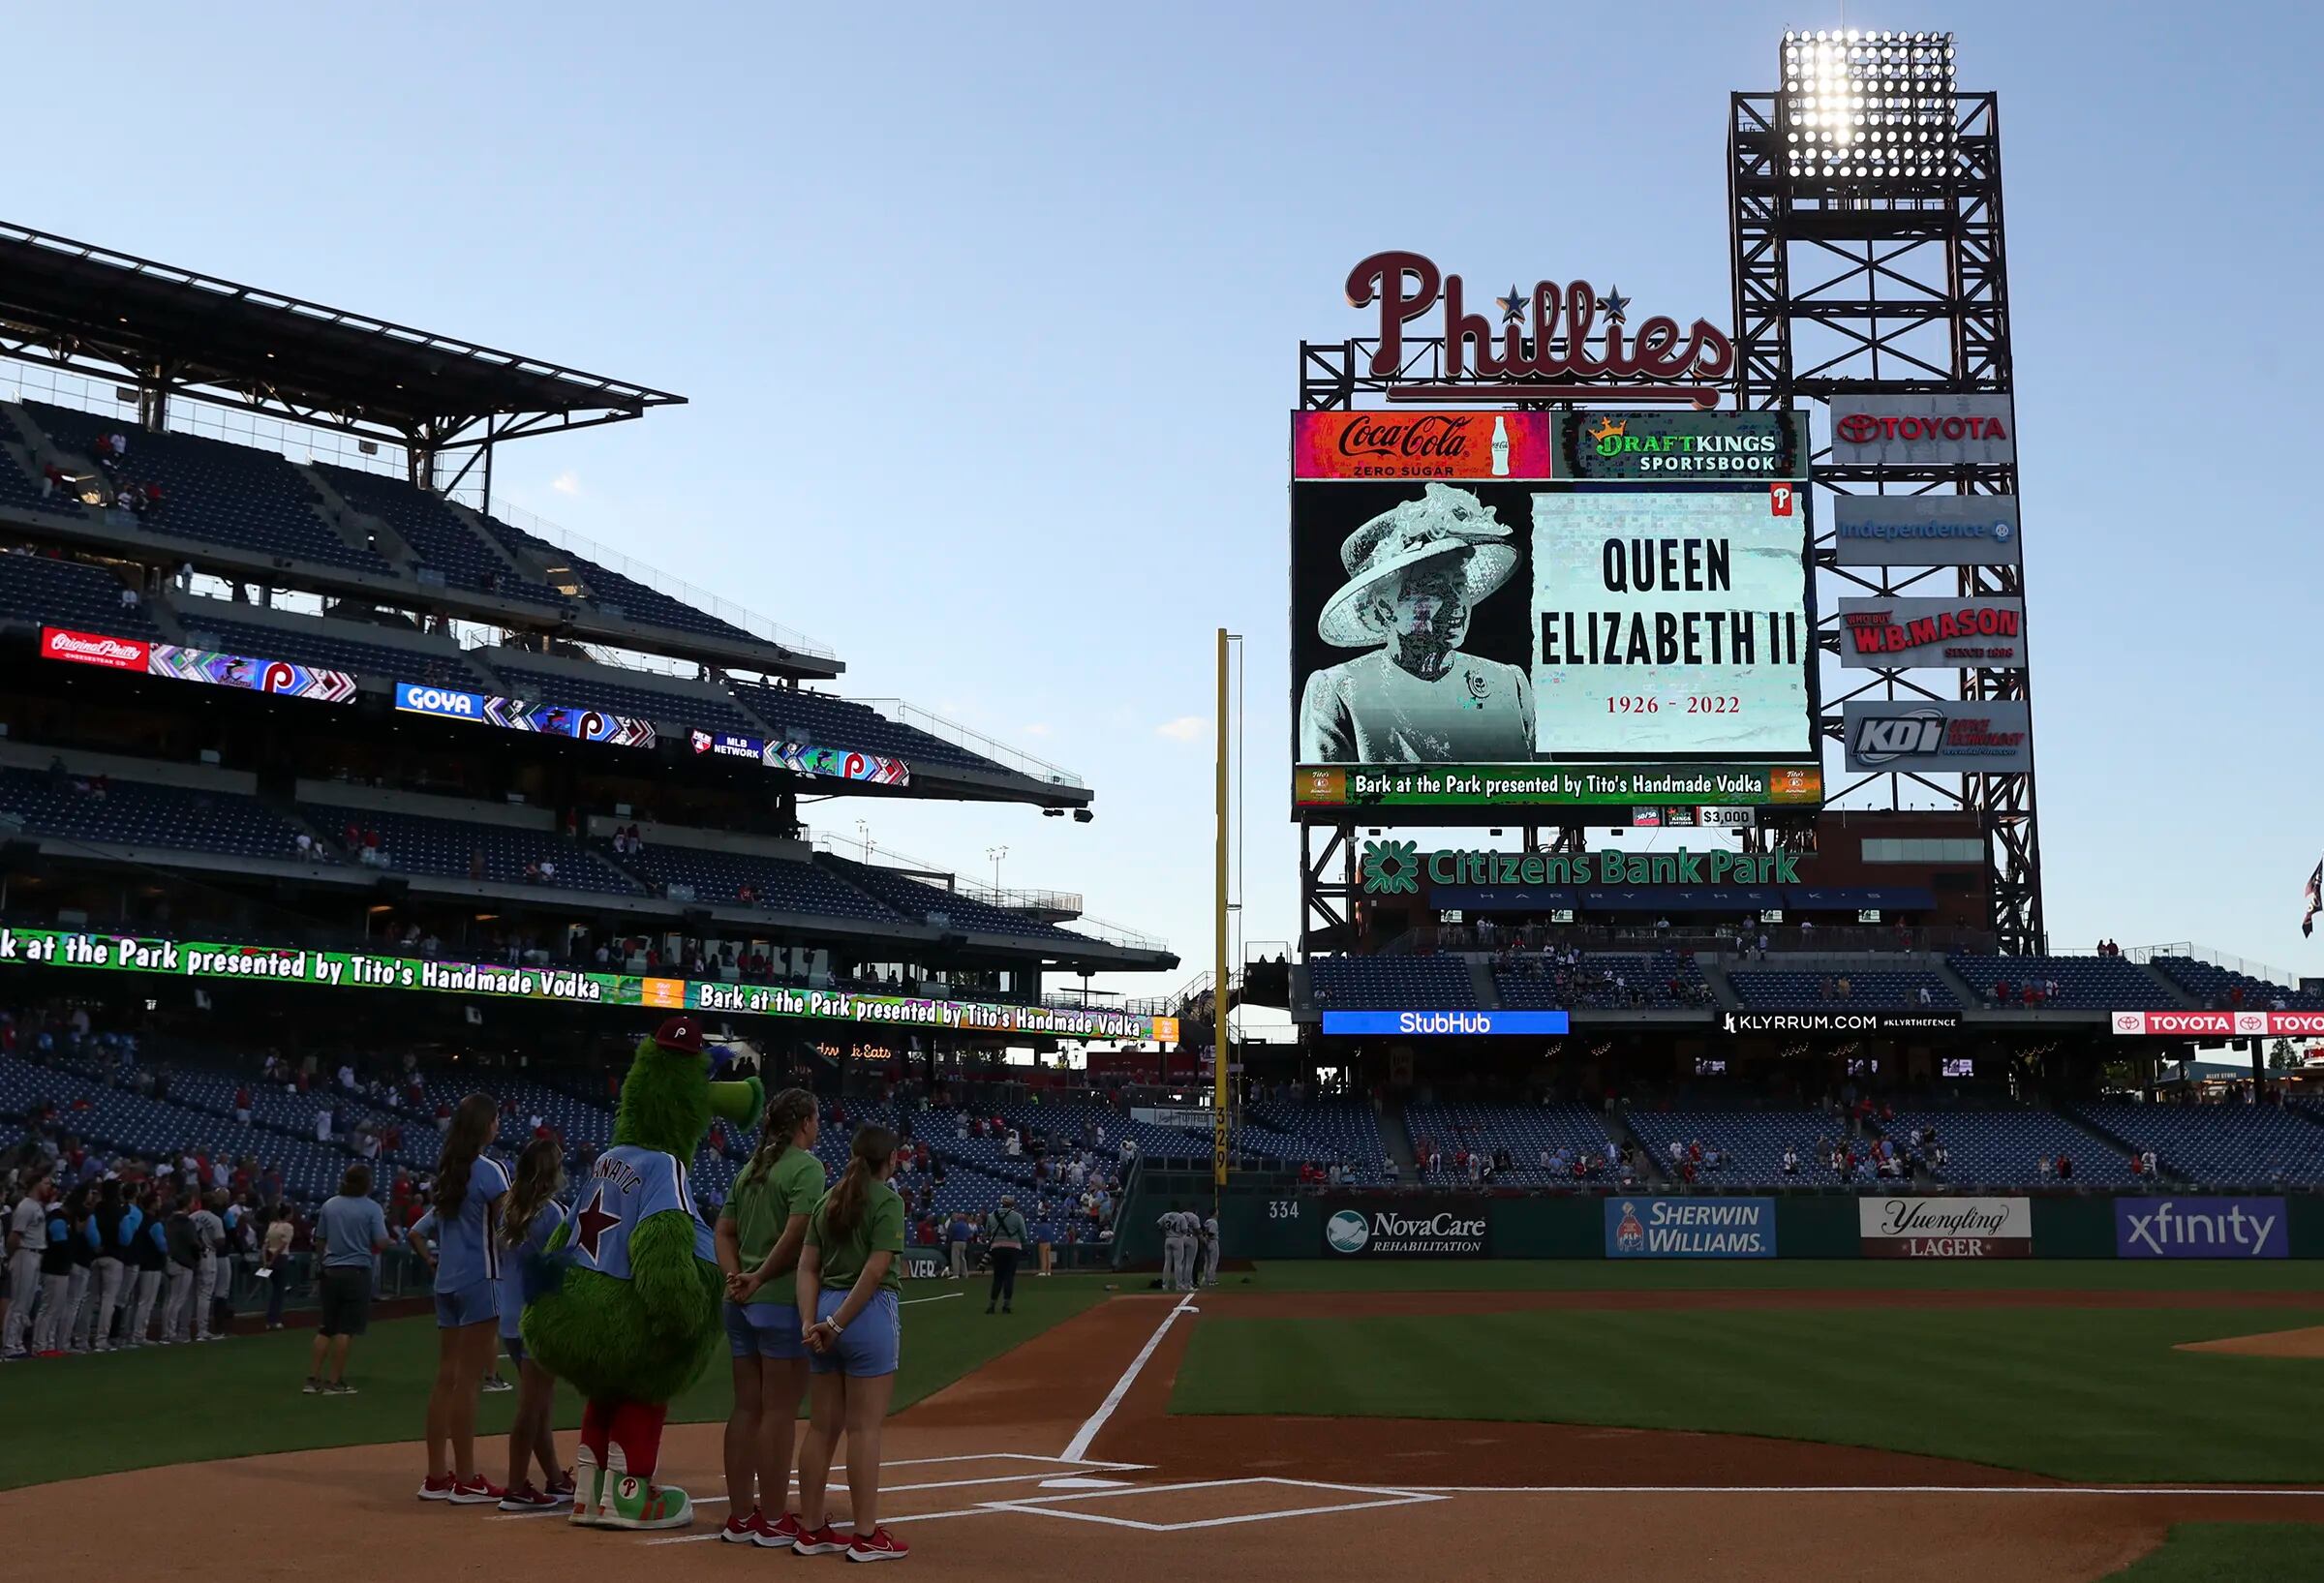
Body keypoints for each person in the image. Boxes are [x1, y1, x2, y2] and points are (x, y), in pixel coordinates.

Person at [1298, 483, 1534, 763]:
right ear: (1385, 606)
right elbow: (1326, 800)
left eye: (1459, 585)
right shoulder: (1340, 689)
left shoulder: (1508, 685)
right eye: (1432, 588)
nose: (1455, 602)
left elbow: (1547, 797)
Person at [791, 1126, 909, 1564]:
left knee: (822, 1427)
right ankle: (865, 1534)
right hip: (866, 1315)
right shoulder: (888, 1201)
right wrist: (838, 1325)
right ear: (890, 1159)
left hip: (822, 1310)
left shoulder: (828, 1200)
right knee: (864, 1429)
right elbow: (877, 1270)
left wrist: (812, 1320)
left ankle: (811, 1528)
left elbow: (807, 1267)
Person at [714, 1088, 823, 1548]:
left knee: (746, 1407)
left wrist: (736, 1276)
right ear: (804, 1123)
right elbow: (798, 1234)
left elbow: (723, 1231)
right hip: (778, 1300)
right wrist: (758, 1278)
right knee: (779, 1411)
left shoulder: (750, 1168)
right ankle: (775, 1518)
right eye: (814, 1120)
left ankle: (742, 1516)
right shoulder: (807, 1168)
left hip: (739, 1303)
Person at [408, 1093, 507, 1504]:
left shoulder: (448, 1172)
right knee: (469, 1381)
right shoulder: (491, 1171)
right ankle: (466, 1478)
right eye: (495, 1119)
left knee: (445, 1378)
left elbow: (419, 1230)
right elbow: (509, 1226)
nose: (498, 1125)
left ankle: (436, 1475)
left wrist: (432, 1260)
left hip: (446, 1282)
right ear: (486, 1125)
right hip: (481, 1280)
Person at [495, 1138, 571, 1511]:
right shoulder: (552, 1214)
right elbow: (559, 1269)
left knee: (539, 1405)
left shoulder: (508, 1209)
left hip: (509, 1316)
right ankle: (516, 1485)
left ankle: (555, 1478)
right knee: (531, 1409)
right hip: (537, 1317)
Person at [307, 1165, 388, 1393]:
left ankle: (312, 1379)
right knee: (345, 1329)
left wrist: (323, 1263)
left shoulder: (329, 1205)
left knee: (326, 1327)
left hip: (331, 1270)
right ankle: (334, 1381)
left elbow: (320, 1239)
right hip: (357, 1271)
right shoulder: (372, 1208)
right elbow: (380, 1241)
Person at [80, 1179, 128, 1352]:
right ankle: (101, 1340)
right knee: (108, 1299)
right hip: (114, 1256)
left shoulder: (96, 1209)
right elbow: (125, 1238)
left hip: (95, 1256)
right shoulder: (119, 1211)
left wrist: (96, 1246)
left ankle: (82, 1339)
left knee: (89, 1298)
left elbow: (90, 1232)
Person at [984, 1194, 1026, 1315]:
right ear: (1012, 1204)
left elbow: (987, 1233)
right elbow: (1023, 1235)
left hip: (997, 1248)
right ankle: (1006, 1306)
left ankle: (992, 1305)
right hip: (1013, 1249)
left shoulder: (992, 1215)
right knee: (1009, 1277)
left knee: (997, 1277)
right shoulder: (1017, 1217)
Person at [261, 1205, 293, 1330]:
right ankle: (274, 1320)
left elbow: (265, 1245)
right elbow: (282, 1246)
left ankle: (271, 1319)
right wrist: (272, 1259)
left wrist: (266, 1260)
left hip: (269, 1256)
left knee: (276, 1290)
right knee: (279, 1292)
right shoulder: (288, 1227)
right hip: (280, 1259)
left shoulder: (272, 1225)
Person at [1158, 1202, 1189, 1293]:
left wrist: (1164, 1233)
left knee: (1167, 1263)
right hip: (1177, 1239)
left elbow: (1158, 1225)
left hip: (1168, 1239)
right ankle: (1179, 1285)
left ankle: (1165, 1285)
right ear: (1178, 1208)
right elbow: (1185, 1230)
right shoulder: (1181, 1217)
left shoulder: (1166, 1215)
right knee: (1178, 1263)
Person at [1200, 1208, 1221, 1288]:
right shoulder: (1213, 1222)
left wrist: (1205, 1239)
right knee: (1213, 1262)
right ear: (1215, 1213)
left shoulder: (1207, 1221)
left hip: (1208, 1243)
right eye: (1217, 1211)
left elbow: (1203, 1230)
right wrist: (1207, 1239)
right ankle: (1211, 1280)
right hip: (1212, 1242)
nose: (1218, 1213)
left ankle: (1205, 1279)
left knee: (1207, 1262)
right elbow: (1211, 1233)